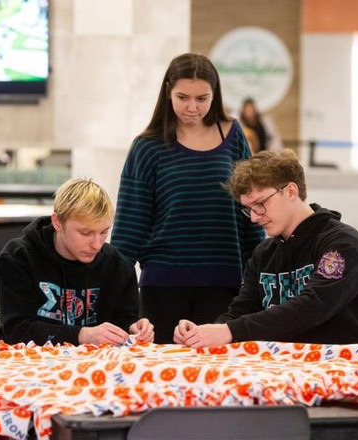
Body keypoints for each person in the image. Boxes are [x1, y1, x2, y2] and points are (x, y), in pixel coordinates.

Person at [110, 53, 265, 344]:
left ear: (214, 95)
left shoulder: (234, 136)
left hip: (225, 284)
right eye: (182, 97)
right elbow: (131, 225)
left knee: (219, 367)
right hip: (162, 286)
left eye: (201, 98)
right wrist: (112, 287)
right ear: (168, 92)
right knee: (162, 367)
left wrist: (261, 273)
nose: (192, 107)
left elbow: (251, 213)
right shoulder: (147, 146)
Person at [174, 149, 358, 347]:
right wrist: (204, 332)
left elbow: (313, 307)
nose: (254, 217)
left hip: (349, 364)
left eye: (260, 204)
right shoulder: (264, 254)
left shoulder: (342, 244)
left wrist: (230, 331)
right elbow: (241, 312)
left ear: (291, 191)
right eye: (249, 209)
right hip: (288, 365)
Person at [0, 178, 154, 346]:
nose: (97, 244)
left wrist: (133, 328)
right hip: (29, 360)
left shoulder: (118, 265)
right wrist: (80, 335)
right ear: (57, 222)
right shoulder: (19, 257)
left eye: (103, 232)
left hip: (97, 361)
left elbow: (124, 321)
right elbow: (16, 331)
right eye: (86, 233)